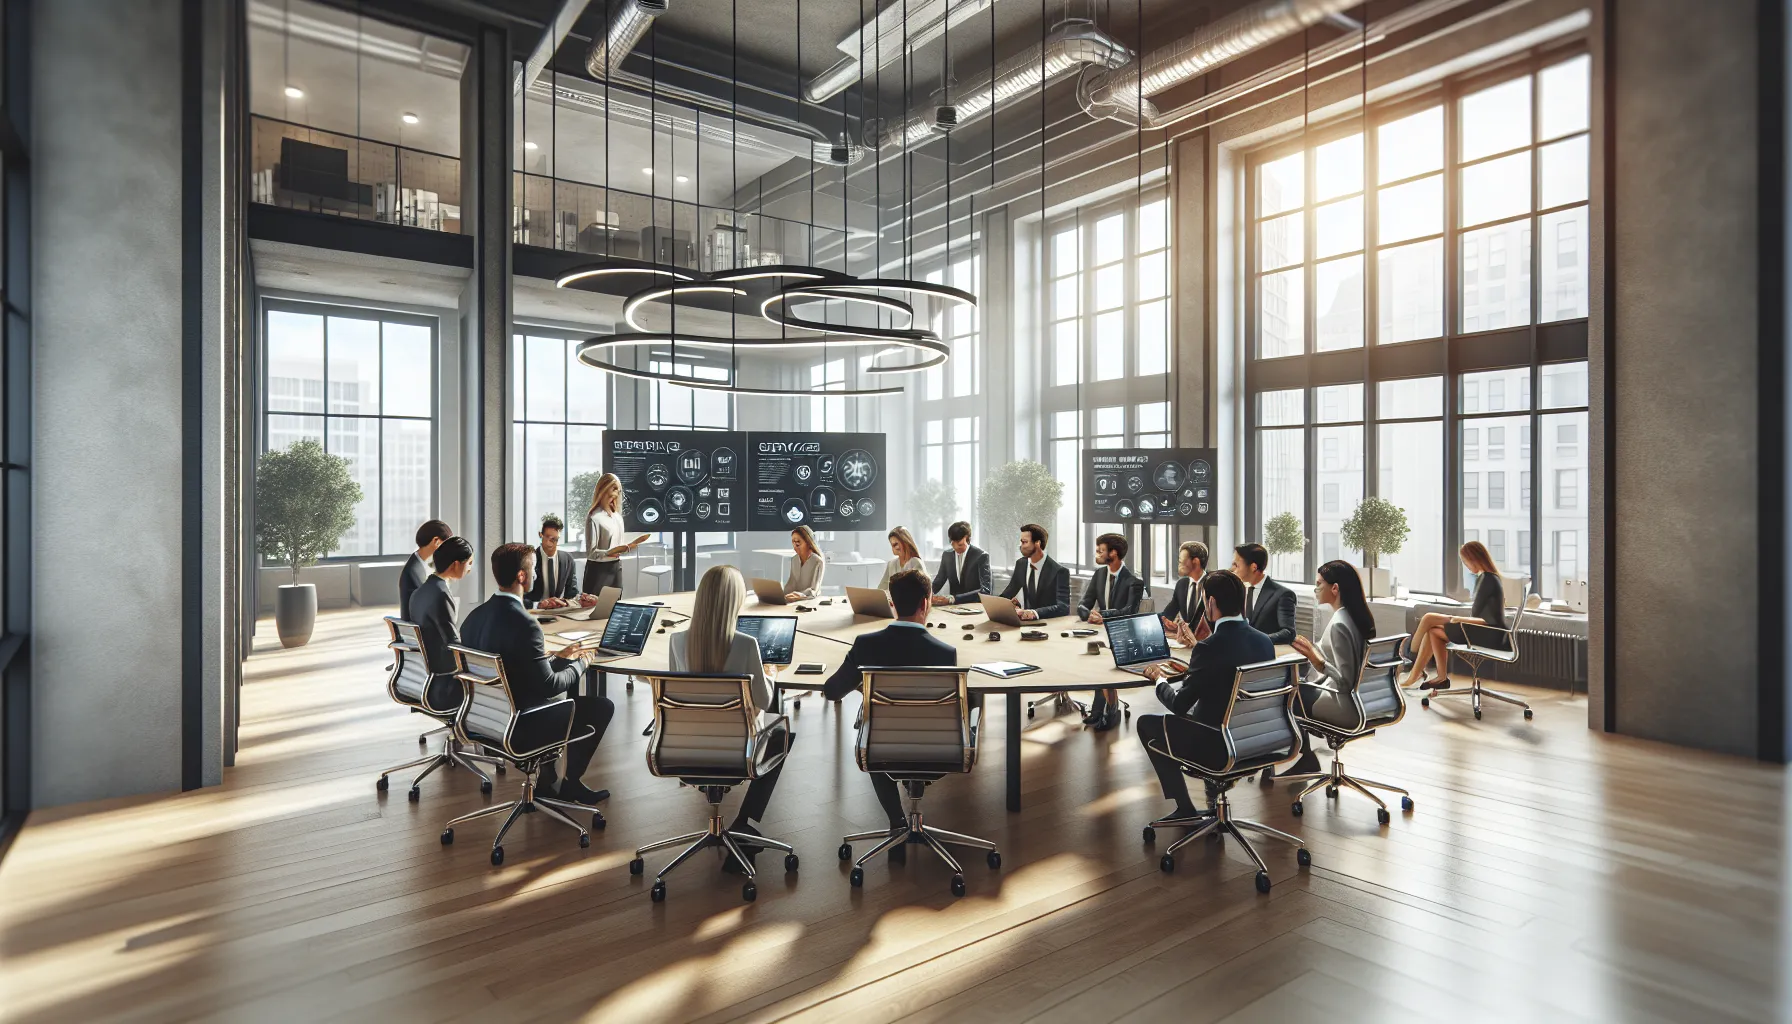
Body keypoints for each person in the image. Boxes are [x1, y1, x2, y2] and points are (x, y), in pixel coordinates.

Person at [458, 543, 612, 805]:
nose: (537, 575)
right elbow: (550, 686)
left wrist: (557, 657)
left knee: (564, 695)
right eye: (534, 570)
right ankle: (569, 785)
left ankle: (546, 780)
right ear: (521, 576)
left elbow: (516, 666)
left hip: (486, 720)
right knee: (601, 707)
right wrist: (583, 662)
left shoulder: (473, 618)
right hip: (522, 726)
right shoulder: (526, 624)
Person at [669, 565, 793, 873]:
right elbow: (764, 701)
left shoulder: (677, 641)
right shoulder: (745, 644)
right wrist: (770, 674)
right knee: (782, 733)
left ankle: (737, 824)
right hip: (737, 752)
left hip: (684, 750)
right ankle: (745, 823)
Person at [824, 569, 955, 859]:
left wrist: (866, 688)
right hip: (938, 753)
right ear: (927, 603)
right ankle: (901, 823)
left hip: (882, 751)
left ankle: (896, 822)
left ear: (892, 604)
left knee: (875, 730)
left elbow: (832, 691)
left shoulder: (865, 645)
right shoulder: (946, 653)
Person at [1134, 570, 1275, 820]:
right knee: (1204, 712)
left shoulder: (1209, 646)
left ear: (1210, 603)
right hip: (1257, 740)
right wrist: (1195, 670)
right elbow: (1230, 679)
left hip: (1218, 746)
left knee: (1146, 723)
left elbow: (1178, 704)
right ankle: (1213, 794)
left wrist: (1160, 679)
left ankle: (1184, 807)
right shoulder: (1264, 641)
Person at [1281, 559, 1376, 777]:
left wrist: (1316, 659)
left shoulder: (1339, 624)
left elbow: (1344, 682)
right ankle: (1305, 757)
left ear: (1335, 588)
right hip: (1365, 702)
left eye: (1319, 584)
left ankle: (1300, 758)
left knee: (1285, 696)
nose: (1315, 589)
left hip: (1345, 706)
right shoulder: (1356, 617)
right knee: (1301, 688)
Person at [1403, 540, 1511, 689]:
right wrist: (1457, 619)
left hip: (1491, 635)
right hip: (1483, 631)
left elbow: (1490, 621)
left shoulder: (1488, 579)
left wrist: (1458, 619)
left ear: (1475, 559)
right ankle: (1439, 677)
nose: (1466, 566)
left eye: (1466, 562)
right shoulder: (1486, 578)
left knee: (1428, 618)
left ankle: (1410, 660)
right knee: (1433, 631)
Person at [1078, 532, 1143, 731]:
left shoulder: (1134, 580)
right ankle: (1099, 709)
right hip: (1098, 632)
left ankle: (1109, 710)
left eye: (1100, 551)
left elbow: (1129, 611)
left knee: (1104, 664)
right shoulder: (1099, 574)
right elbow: (1084, 603)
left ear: (1113, 553)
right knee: (1094, 661)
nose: (1096, 554)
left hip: (1123, 634)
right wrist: (1087, 612)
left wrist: (1102, 615)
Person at [409, 536, 474, 713]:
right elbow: (452, 643)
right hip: (444, 685)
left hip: (424, 679)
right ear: (455, 564)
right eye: (468, 563)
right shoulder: (441, 593)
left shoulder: (419, 592)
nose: (469, 569)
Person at [583, 473, 643, 598]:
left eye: (619, 490)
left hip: (616, 568)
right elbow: (591, 553)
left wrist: (627, 548)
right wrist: (608, 553)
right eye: (614, 488)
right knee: (594, 610)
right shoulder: (594, 517)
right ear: (604, 488)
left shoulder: (618, 518)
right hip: (598, 571)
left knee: (615, 608)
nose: (617, 493)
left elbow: (619, 546)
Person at [997, 523, 1071, 620]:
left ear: (1038, 544)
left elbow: (1063, 607)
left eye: (1024, 542)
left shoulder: (1059, 571)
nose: (1021, 546)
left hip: (1049, 625)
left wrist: (1034, 613)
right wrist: (1002, 604)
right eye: (1021, 542)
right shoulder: (1021, 564)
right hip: (1025, 624)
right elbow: (1008, 593)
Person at [1233, 542, 1296, 645]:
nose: (1234, 570)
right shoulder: (1239, 591)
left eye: (1237, 565)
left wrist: (1257, 641)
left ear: (1253, 567)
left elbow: (1288, 632)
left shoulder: (1282, 594)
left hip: (1266, 655)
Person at [526, 514, 584, 610]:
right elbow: (522, 594)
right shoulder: (530, 558)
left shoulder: (568, 559)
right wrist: (538, 605)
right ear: (541, 535)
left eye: (554, 539)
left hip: (559, 610)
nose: (550, 542)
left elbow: (572, 592)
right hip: (536, 611)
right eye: (547, 537)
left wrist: (576, 600)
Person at [1159, 541, 1212, 641]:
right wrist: (1166, 621)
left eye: (1181, 561)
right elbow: (1168, 613)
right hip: (1184, 643)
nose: (1178, 564)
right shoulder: (1181, 584)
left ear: (1195, 561)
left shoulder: (1212, 584)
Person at [400, 519, 452, 621]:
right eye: (445, 544)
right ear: (436, 541)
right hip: (419, 628)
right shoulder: (413, 570)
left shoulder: (421, 563)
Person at [931, 521, 991, 606]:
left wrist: (953, 599)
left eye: (959, 545)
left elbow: (985, 590)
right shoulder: (947, 555)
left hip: (975, 608)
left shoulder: (981, 556)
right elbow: (939, 581)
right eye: (952, 544)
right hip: (952, 609)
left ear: (967, 538)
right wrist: (926, 594)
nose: (955, 548)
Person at [874, 526, 926, 593]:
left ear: (906, 542)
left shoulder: (916, 563)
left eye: (896, 544)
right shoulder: (891, 564)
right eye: (892, 545)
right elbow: (881, 588)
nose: (895, 548)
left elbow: (919, 591)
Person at [783, 525, 826, 601]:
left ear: (808, 542)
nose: (795, 545)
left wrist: (800, 595)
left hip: (810, 601)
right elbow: (791, 583)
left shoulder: (817, 561)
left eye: (798, 542)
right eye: (793, 541)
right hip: (793, 600)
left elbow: (814, 590)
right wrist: (780, 594)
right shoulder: (794, 560)